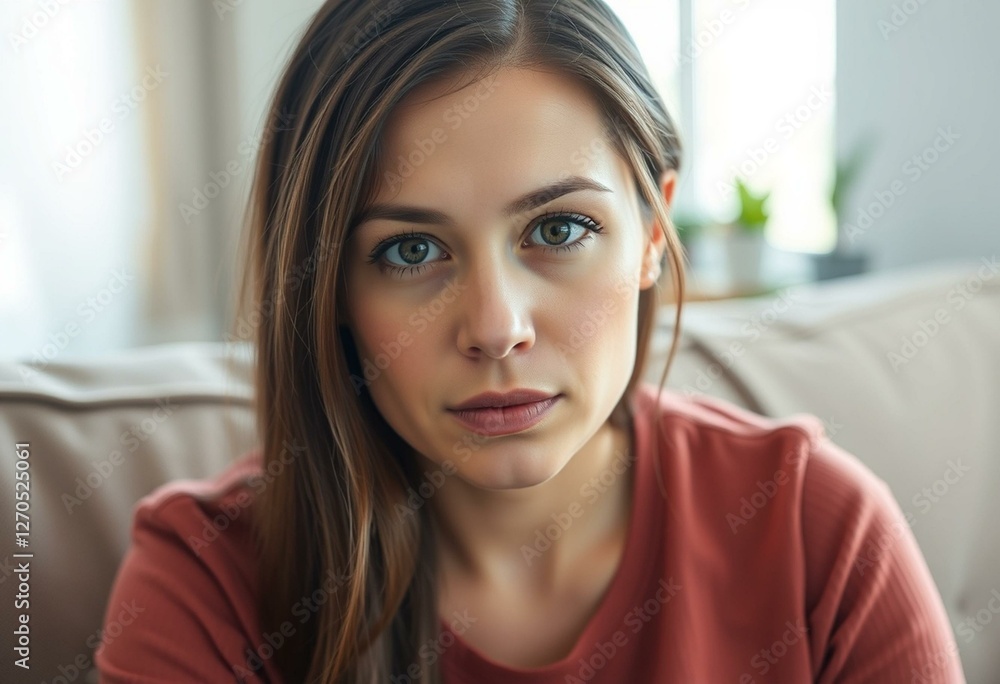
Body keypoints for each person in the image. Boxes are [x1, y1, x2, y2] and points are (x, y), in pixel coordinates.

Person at [96, 0, 967, 682]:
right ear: (327, 289)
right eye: (410, 251)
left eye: (557, 230)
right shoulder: (206, 587)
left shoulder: (822, 536)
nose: (496, 328)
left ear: (654, 233)